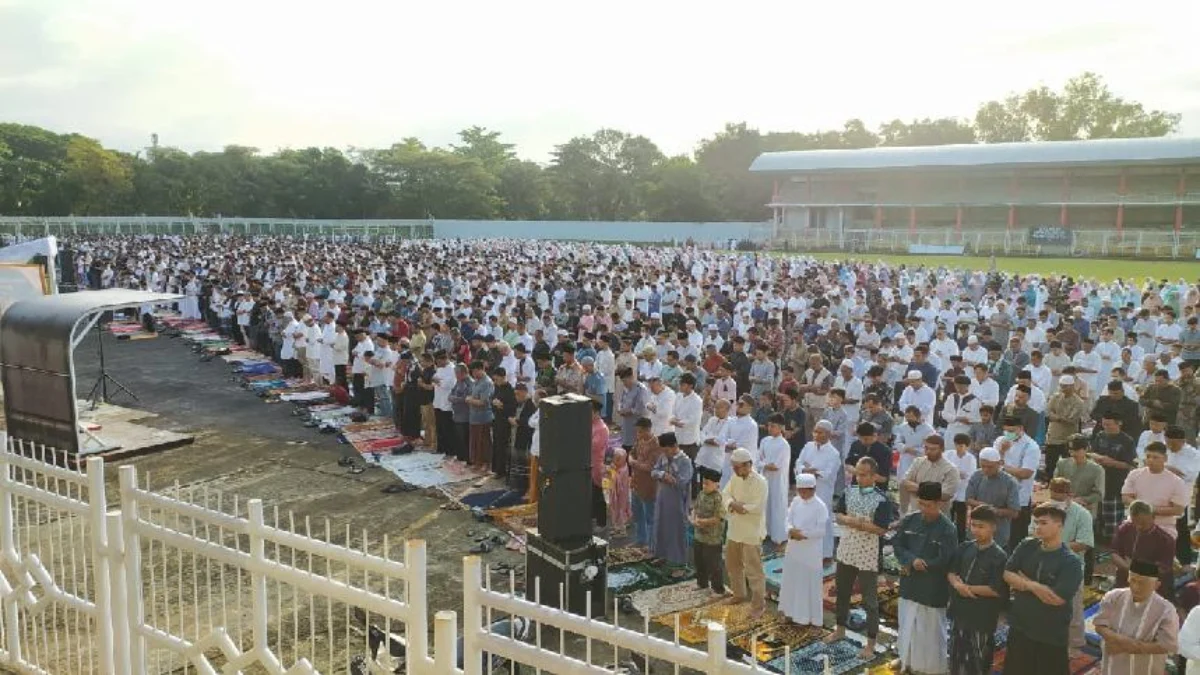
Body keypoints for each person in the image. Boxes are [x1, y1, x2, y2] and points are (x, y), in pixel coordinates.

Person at [825, 457, 895, 660]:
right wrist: (858, 522)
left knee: (870, 600)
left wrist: (854, 522)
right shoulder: (849, 491)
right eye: (857, 473)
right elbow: (839, 515)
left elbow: (881, 529)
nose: (859, 477)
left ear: (874, 476)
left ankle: (871, 643)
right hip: (847, 549)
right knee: (843, 593)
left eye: (864, 474)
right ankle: (840, 629)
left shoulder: (882, 500)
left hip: (867, 553)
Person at [1002, 504, 1084, 675]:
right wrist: (1033, 585)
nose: (1037, 527)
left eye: (1043, 523)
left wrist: (1023, 581)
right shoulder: (1027, 545)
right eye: (1036, 522)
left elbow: (1056, 599)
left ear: (1059, 526)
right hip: (1021, 625)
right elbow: (1007, 573)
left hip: (1049, 633)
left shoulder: (1071, 562)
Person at [892, 481, 958, 675]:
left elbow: (947, 558)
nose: (924, 509)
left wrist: (925, 564)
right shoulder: (910, 520)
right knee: (906, 622)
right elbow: (898, 545)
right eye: (921, 504)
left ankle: (928, 667)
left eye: (928, 505)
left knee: (930, 629)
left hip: (932, 587)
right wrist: (912, 560)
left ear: (939, 503)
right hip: (910, 582)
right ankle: (906, 658)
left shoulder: (948, 529)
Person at [1035, 477, 1095, 654]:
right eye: (1053, 493)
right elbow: (1032, 536)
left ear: (1070, 495)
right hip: (1044, 566)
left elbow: (1084, 543)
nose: (1055, 498)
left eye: (1060, 495)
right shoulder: (1041, 511)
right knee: (1042, 606)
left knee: (1073, 611)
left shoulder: (1082, 514)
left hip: (1071, 569)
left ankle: (1074, 646)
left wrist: (1056, 546)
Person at [946, 505, 1008, 675]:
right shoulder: (965, 547)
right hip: (959, 610)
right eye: (973, 525)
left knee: (978, 657)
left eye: (981, 527)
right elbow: (951, 572)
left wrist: (968, 588)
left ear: (993, 527)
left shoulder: (999, 556)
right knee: (956, 654)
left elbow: (996, 589)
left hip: (982, 615)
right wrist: (957, 585)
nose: (976, 530)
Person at [1093, 559, 1180, 675]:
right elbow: (1099, 625)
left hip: (1145, 668)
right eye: (1133, 580)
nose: (1136, 587)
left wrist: (1129, 647)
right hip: (1112, 665)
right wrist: (1121, 640)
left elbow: (1166, 646)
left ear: (1156, 585)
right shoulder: (1113, 596)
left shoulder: (1167, 610)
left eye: (1142, 583)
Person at [723, 446, 768, 618]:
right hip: (735, 529)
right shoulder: (735, 478)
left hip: (751, 531)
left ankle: (758, 606)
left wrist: (739, 507)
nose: (734, 470)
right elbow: (725, 494)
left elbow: (757, 507)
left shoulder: (760, 482)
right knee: (733, 565)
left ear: (748, 465)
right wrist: (732, 504)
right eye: (733, 467)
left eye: (737, 467)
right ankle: (739, 594)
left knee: (754, 571)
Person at [779, 473, 828, 626]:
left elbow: (821, 531)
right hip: (794, 549)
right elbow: (787, 519)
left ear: (813, 489)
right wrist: (790, 530)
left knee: (807, 583)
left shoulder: (820, 506)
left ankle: (806, 617)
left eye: (806, 491)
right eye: (801, 491)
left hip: (810, 551)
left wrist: (803, 535)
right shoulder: (795, 501)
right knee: (791, 580)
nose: (803, 494)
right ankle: (789, 612)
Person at [1121, 441, 1189, 542]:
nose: (1150, 460)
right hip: (1136, 522)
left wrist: (1149, 510)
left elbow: (1178, 510)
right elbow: (1125, 497)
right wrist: (1141, 510)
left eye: (1155, 457)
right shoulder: (1134, 474)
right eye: (1148, 456)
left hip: (1163, 526)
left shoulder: (1176, 481)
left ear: (1165, 458)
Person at [994, 414, 1041, 551]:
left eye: (1011, 431)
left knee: (1016, 538)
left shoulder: (1031, 446)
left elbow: (1026, 473)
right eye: (1006, 430)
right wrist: (1002, 452)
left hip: (1019, 496)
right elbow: (992, 464)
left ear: (1020, 428)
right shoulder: (1000, 441)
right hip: (999, 494)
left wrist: (1002, 468)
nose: (1008, 434)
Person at [1112, 500, 1175, 598]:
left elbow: (1162, 569)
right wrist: (1128, 568)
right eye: (1135, 522)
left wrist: (1134, 567)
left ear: (1153, 518)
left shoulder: (1165, 540)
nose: (1139, 526)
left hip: (1152, 587)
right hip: (1124, 581)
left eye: (1143, 523)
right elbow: (1114, 554)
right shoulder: (1124, 529)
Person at [796, 420, 840, 560]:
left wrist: (814, 471)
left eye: (819, 432)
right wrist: (806, 470)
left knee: (822, 520)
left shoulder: (833, 453)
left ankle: (826, 553)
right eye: (815, 431)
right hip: (805, 489)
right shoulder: (808, 446)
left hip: (822, 491)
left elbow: (828, 474)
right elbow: (798, 463)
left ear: (828, 434)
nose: (815, 434)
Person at [650, 432, 692, 566]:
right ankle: (662, 555)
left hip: (676, 501)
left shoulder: (685, 461)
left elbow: (682, 482)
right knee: (661, 527)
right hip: (662, 498)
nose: (665, 453)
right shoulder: (663, 457)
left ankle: (679, 561)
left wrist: (671, 475)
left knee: (676, 530)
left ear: (674, 446)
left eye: (667, 450)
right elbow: (654, 471)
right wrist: (662, 474)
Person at [900, 434, 958, 517]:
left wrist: (917, 489)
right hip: (914, 514)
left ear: (942, 449)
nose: (928, 452)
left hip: (938, 518)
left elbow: (945, 495)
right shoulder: (918, 462)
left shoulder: (951, 470)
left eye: (933, 449)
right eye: (926, 448)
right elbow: (905, 483)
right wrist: (931, 492)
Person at [689, 467, 725, 595]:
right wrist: (693, 518)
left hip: (712, 538)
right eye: (703, 483)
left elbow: (718, 518)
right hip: (699, 536)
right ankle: (702, 584)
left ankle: (718, 589)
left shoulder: (719, 498)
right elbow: (695, 508)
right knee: (699, 562)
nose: (704, 486)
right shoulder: (701, 494)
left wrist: (702, 522)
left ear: (716, 484)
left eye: (707, 484)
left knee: (714, 565)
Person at [757, 413, 791, 547]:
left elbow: (775, 466)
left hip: (778, 480)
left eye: (773, 426)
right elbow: (758, 459)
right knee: (765, 504)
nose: (770, 428)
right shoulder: (765, 441)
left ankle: (778, 535)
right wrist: (764, 464)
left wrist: (764, 464)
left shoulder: (784, 445)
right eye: (769, 426)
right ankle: (765, 532)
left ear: (781, 427)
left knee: (777, 505)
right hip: (764, 478)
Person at [628, 418, 662, 548]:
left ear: (648, 430)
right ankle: (641, 540)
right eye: (637, 432)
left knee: (650, 518)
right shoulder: (639, 440)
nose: (638, 435)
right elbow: (631, 453)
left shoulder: (656, 445)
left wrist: (633, 463)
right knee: (638, 515)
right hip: (636, 483)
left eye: (640, 432)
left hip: (649, 486)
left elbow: (650, 467)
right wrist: (632, 460)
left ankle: (652, 546)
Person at [948, 433, 978, 540]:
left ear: (967, 446)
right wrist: (958, 473)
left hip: (962, 493)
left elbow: (970, 476)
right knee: (948, 518)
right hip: (950, 492)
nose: (958, 448)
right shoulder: (948, 454)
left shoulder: (971, 459)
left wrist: (957, 473)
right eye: (956, 445)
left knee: (961, 520)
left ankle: (961, 540)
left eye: (961, 446)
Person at [590, 400, 610, 530]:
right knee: (591, 493)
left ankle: (601, 522)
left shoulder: (602, 428)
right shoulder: (590, 424)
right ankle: (592, 517)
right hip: (589, 463)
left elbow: (595, 446)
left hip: (597, 464)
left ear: (596, 412)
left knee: (599, 494)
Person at [607, 448, 632, 536]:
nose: (614, 461)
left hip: (620, 495)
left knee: (620, 509)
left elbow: (618, 481)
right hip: (614, 494)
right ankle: (616, 527)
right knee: (614, 509)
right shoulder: (619, 467)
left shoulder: (623, 470)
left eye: (617, 459)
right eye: (614, 459)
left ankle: (622, 530)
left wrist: (612, 470)